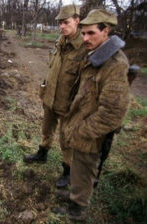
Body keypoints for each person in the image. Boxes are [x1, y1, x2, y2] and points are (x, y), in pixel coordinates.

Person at [55, 9, 130, 220]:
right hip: (83, 122)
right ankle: (75, 194)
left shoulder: (114, 65)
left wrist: (82, 130)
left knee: (86, 167)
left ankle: (77, 207)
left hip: (91, 130)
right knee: (78, 165)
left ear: (105, 31)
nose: (85, 38)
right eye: (84, 33)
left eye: (90, 33)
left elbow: (112, 112)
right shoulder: (95, 55)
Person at [23, 4, 86, 188]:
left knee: (67, 138)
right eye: (59, 23)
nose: (62, 26)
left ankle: (68, 170)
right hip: (51, 98)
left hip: (68, 103)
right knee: (46, 128)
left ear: (77, 20)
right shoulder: (60, 42)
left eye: (66, 22)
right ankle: (42, 153)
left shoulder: (84, 48)